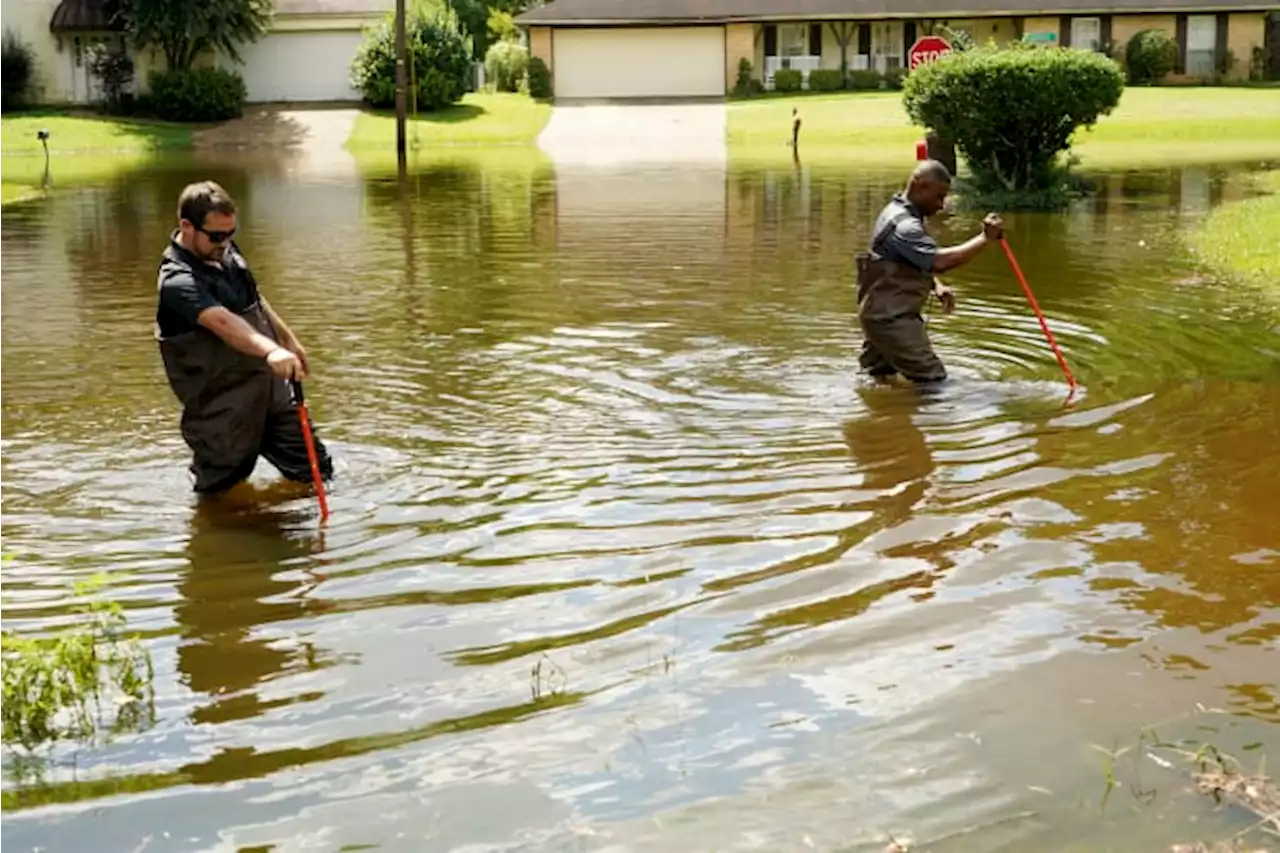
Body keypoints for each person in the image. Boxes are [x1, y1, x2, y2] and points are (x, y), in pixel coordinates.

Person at [155, 180, 334, 494]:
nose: (225, 243)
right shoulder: (177, 282)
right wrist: (270, 351)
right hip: (224, 410)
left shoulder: (224, 250)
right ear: (187, 226)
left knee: (318, 473)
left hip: (271, 394)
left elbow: (254, 298)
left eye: (231, 233)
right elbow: (224, 323)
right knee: (220, 495)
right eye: (217, 236)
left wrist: (286, 338)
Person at [855, 160, 1004, 384]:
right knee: (934, 381)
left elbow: (905, 262)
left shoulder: (896, 212)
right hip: (891, 320)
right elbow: (939, 262)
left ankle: (881, 416)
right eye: (939, 196)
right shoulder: (904, 225)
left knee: (878, 379)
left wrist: (936, 285)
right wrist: (984, 239)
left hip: (878, 317)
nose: (941, 205)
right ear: (920, 185)